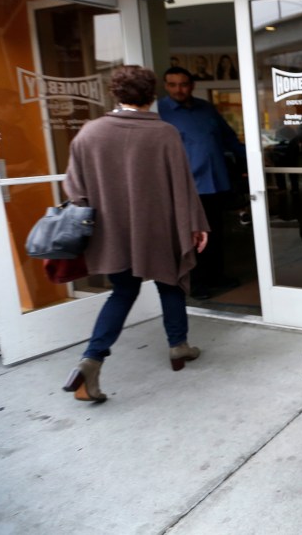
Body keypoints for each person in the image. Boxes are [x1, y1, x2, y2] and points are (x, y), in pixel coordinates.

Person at [62, 66, 209, 403]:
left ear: (116, 94)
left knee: (122, 293)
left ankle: (92, 359)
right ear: (151, 95)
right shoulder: (164, 133)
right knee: (170, 284)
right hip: (158, 229)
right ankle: (178, 347)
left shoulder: (89, 132)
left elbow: (74, 189)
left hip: (111, 233)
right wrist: (195, 225)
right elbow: (184, 188)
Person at [159, 66, 246, 299]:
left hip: (215, 183)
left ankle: (217, 276)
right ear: (166, 86)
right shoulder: (159, 112)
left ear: (192, 85)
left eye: (183, 84)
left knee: (217, 234)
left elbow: (228, 138)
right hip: (187, 188)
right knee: (191, 238)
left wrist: (252, 159)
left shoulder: (206, 109)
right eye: (173, 84)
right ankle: (196, 284)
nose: (179, 89)